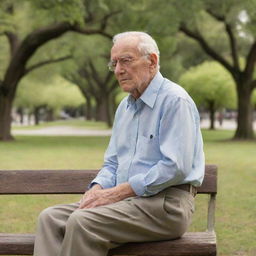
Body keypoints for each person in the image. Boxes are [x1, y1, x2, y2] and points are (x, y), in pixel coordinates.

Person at [33, 31, 205, 256]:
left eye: (126, 60)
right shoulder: (124, 108)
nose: (118, 70)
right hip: (128, 203)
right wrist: (97, 189)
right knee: (51, 218)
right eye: (114, 63)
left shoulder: (175, 100)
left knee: (82, 221)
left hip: (166, 206)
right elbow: (112, 163)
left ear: (151, 61)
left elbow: (175, 166)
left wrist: (118, 193)